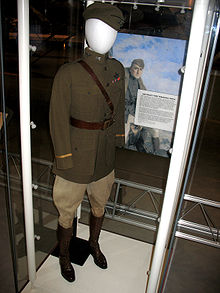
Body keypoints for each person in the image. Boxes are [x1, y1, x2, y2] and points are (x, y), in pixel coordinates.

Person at [49, 2, 124, 283]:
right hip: (75, 157)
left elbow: (119, 110)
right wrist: (64, 158)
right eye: (100, 29)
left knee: (99, 205)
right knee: (66, 211)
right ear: (88, 30)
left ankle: (94, 243)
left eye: (112, 31)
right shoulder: (69, 73)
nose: (107, 36)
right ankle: (65, 254)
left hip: (103, 156)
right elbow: (57, 118)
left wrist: (117, 140)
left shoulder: (118, 69)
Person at [125, 59, 160, 154]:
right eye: (136, 68)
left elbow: (145, 96)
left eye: (140, 69)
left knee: (155, 130)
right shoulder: (124, 76)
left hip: (138, 113)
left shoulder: (139, 81)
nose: (138, 71)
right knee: (124, 135)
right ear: (131, 67)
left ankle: (157, 153)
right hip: (126, 114)